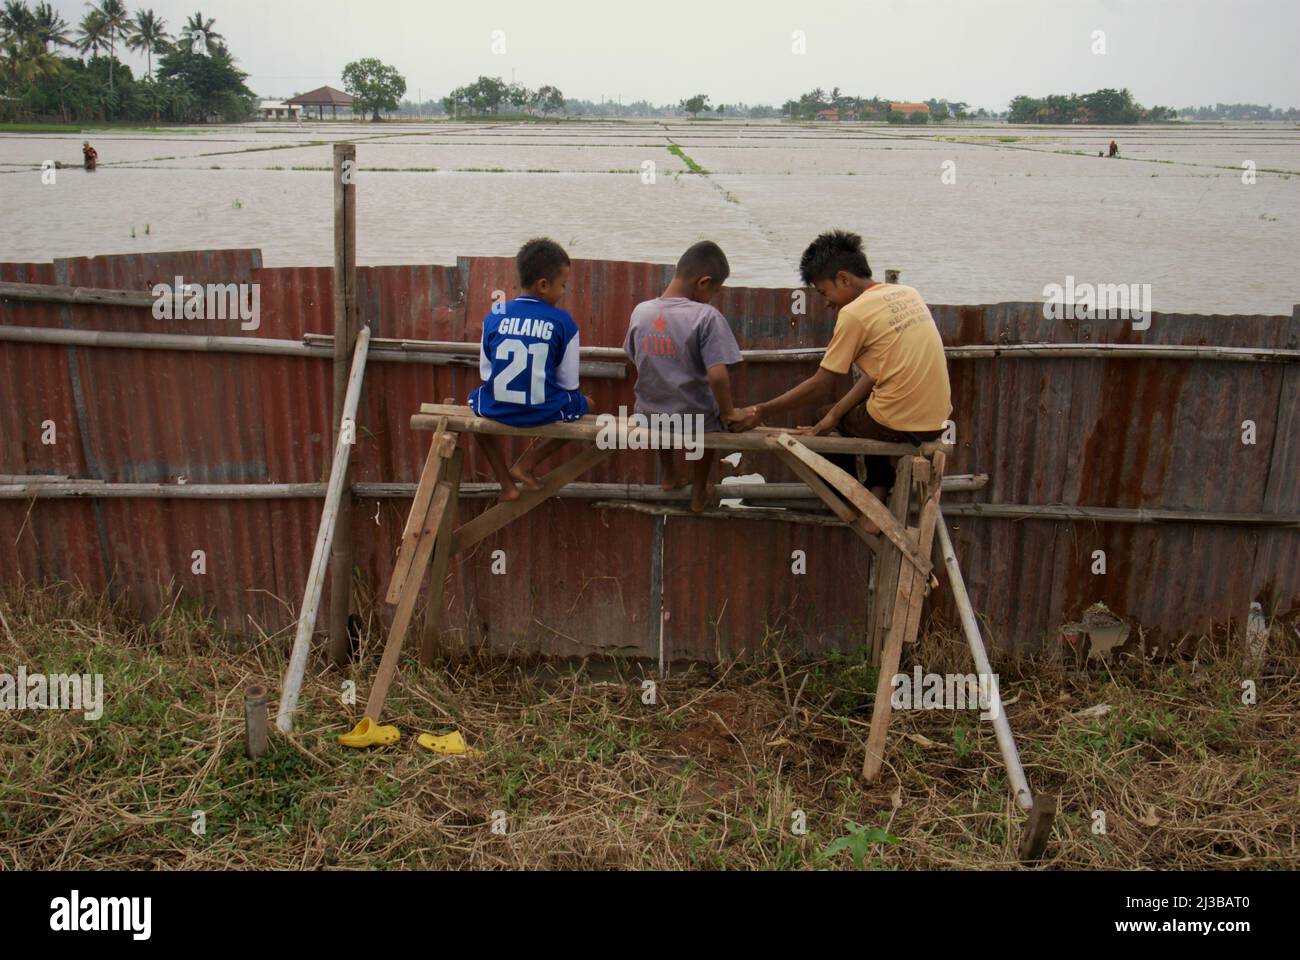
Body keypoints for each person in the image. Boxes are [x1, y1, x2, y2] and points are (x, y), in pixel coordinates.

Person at [727, 230, 951, 529]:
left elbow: (822, 384)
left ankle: (861, 503)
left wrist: (762, 411)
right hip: (936, 422)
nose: (827, 303)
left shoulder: (855, 314)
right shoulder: (908, 294)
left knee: (824, 420)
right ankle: (878, 491)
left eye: (823, 292)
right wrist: (835, 415)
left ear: (844, 279)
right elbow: (876, 374)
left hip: (897, 422)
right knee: (843, 415)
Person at [623, 241, 742, 512]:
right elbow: (718, 376)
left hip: (649, 415)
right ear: (704, 282)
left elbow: (634, 358)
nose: (713, 297)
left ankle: (668, 473)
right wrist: (728, 412)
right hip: (696, 420)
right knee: (710, 420)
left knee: (658, 399)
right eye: (715, 290)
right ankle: (699, 490)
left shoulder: (641, 311)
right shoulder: (706, 316)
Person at [468, 238, 589, 501]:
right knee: (585, 403)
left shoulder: (495, 314)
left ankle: (507, 485)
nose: (564, 291)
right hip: (540, 411)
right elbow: (569, 384)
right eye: (563, 285)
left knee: (475, 413)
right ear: (543, 285)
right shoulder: (564, 322)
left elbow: (486, 374)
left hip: (496, 408)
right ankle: (527, 464)